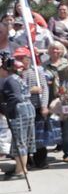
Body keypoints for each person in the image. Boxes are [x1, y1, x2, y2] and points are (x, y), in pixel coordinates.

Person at [0, 52, 36, 181]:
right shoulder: (16, 77)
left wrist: (7, 110)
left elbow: (15, 97)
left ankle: (21, 171)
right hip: (26, 108)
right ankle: (21, 168)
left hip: (19, 110)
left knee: (20, 141)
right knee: (21, 141)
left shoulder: (9, 80)